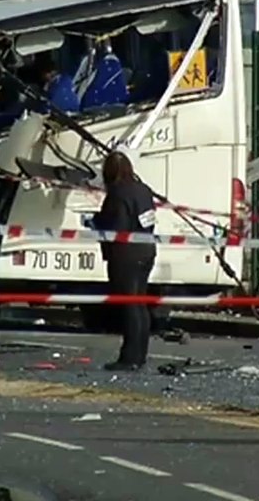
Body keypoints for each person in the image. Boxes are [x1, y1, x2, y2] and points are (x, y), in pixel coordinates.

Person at [91, 150, 157, 371]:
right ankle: (140, 353)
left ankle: (129, 357)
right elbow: (148, 221)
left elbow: (116, 227)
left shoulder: (118, 194)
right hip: (146, 250)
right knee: (140, 303)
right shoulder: (144, 190)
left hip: (125, 255)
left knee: (129, 305)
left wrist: (96, 222)